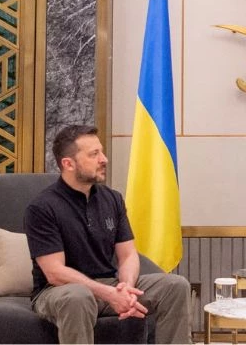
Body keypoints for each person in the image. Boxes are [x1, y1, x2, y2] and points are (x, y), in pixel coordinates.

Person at [24, 125, 192, 344]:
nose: (104, 159)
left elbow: (128, 255)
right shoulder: (42, 207)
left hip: (109, 284)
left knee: (175, 286)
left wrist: (126, 288)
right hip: (58, 292)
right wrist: (108, 294)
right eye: (94, 154)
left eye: (101, 152)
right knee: (78, 296)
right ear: (68, 164)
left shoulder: (112, 199)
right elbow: (55, 273)